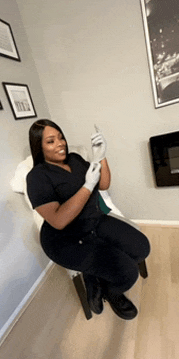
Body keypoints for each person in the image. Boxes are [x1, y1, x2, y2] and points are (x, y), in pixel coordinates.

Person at [26, 119, 150, 319]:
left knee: (142, 248)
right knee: (128, 274)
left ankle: (96, 276)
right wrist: (86, 186)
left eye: (60, 137)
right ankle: (113, 292)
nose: (60, 143)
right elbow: (58, 221)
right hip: (66, 239)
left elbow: (103, 184)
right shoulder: (36, 178)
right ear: (39, 148)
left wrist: (100, 156)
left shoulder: (74, 159)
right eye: (51, 141)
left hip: (94, 221)